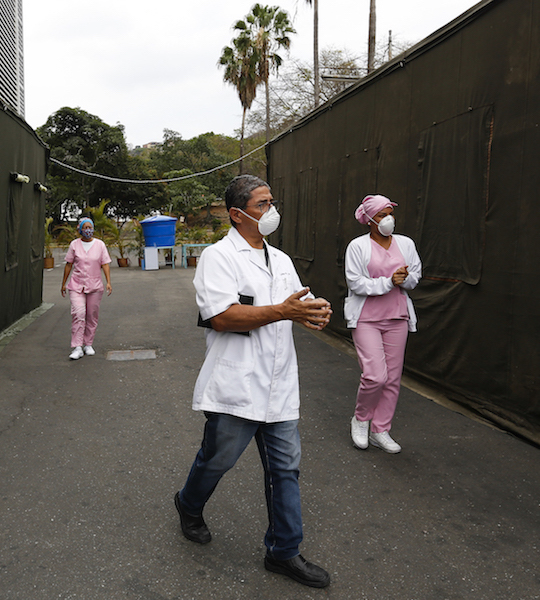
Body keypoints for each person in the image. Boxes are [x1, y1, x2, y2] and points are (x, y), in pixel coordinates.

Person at [174, 175, 333, 589]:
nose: (271, 211)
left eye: (271, 201)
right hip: (237, 385)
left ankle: (284, 551)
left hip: (279, 386)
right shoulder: (218, 257)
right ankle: (188, 504)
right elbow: (222, 316)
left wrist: (313, 312)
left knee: (285, 470)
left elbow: (295, 304)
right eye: (262, 204)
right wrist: (283, 311)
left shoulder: (280, 259)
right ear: (237, 214)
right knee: (218, 460)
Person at [344, 195, 422, 454]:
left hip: (397, 316)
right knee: (375, 375)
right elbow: (356, 283)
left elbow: (415, 277)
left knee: (392, 378)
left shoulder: (406, 244)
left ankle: (381, 429)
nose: (388, 219)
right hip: (366, 318)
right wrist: (389, 281)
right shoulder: (357, 246)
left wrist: (405, 278)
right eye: (381, 215)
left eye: (390, 213)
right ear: (368, 220)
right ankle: (361, 419)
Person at [61, 217, 112, 360]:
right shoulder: (74, 245)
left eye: (90, 227)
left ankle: (88, 344)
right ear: (80, 229)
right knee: (78, 313)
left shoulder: (100, 245)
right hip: (76, 285)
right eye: (85, 227)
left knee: (91, 315)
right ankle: (77, 347)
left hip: (95, 286)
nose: (88, 230)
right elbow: (69, 264)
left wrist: (108, 282)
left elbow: (105, 263)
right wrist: (63, 283)